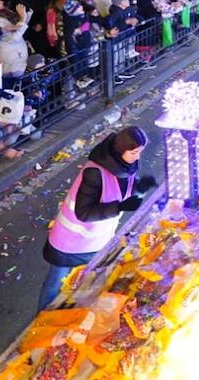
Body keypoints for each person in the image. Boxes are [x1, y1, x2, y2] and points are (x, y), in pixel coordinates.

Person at [39, 128, 154, 310]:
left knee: (80, 283)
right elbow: (84, 212)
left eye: (140, 152)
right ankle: (41, 319)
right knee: (56, 282)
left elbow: (122, 193)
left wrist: (140, 188)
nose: (138, 157)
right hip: (68, 243)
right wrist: (120, 207)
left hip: (93, 242)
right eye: (134, 153)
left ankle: (63, 316)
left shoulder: (126, 167)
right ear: (120, 150)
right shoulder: (95, 172)